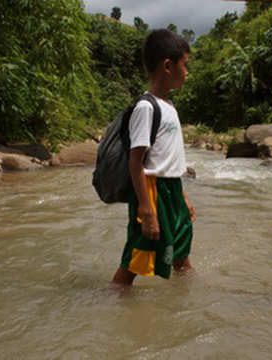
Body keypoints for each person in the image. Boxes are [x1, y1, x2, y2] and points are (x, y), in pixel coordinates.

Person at [111, 29, 196, 288]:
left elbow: (170, 158)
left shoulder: (169, 106)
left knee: (180, 248)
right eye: (185, 65)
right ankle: (112, 299)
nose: (187, 72)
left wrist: (183, 198)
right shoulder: (146, 107)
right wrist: (147, 210)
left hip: (172, 190)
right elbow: (135, 162)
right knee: (138, 256)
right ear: (168, 65)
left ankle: (191, 293)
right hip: (152, 192)